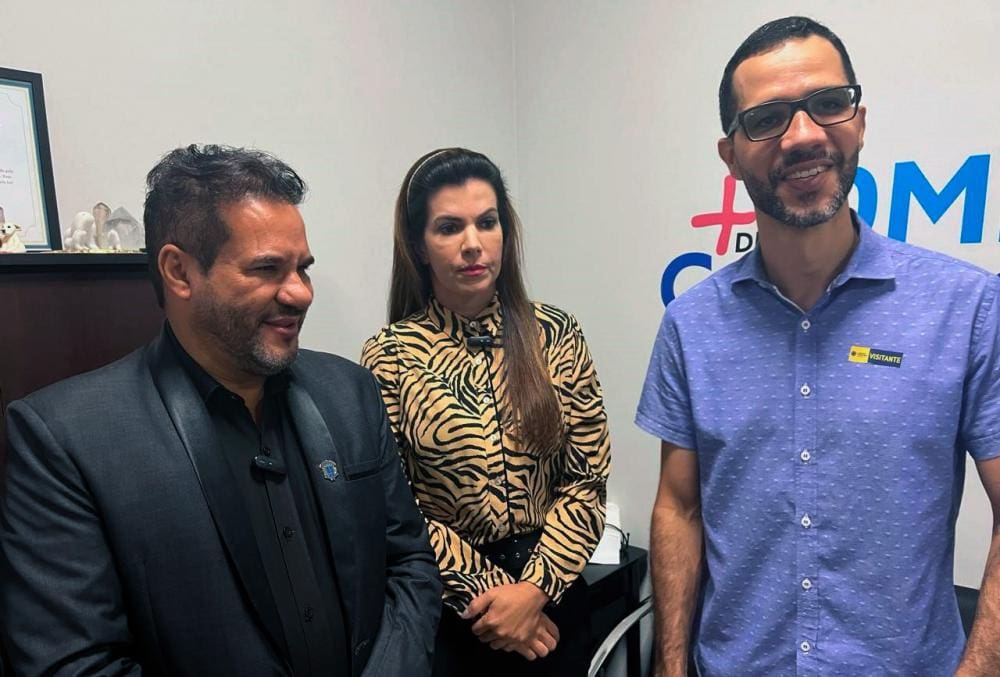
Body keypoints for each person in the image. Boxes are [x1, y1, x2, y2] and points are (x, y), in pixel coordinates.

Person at [636, 16, 1000, 677]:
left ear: (858, 120)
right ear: (731, 154)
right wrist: (670, 665)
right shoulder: (690, 327)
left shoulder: (968, 308)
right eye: (768, 117)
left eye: (827, 104)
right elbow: (679, 505)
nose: (802, 135)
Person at [0, 144, 442, 675]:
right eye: (267, 269)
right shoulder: (66, 438)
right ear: (179, 272)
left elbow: (409, 563)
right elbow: (70, 662)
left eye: (303, 268)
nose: (300, 293)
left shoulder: (349, 392)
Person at [361, 147, 611, 676]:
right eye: (449, 227)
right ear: (419, 246)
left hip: (555, 598)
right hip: (454, 611)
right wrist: (495, 600)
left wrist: (535, 589)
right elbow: (396, 508)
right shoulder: (390, 355)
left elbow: (587, 480)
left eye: (487, 222)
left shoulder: (555, 334)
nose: (473, 244)